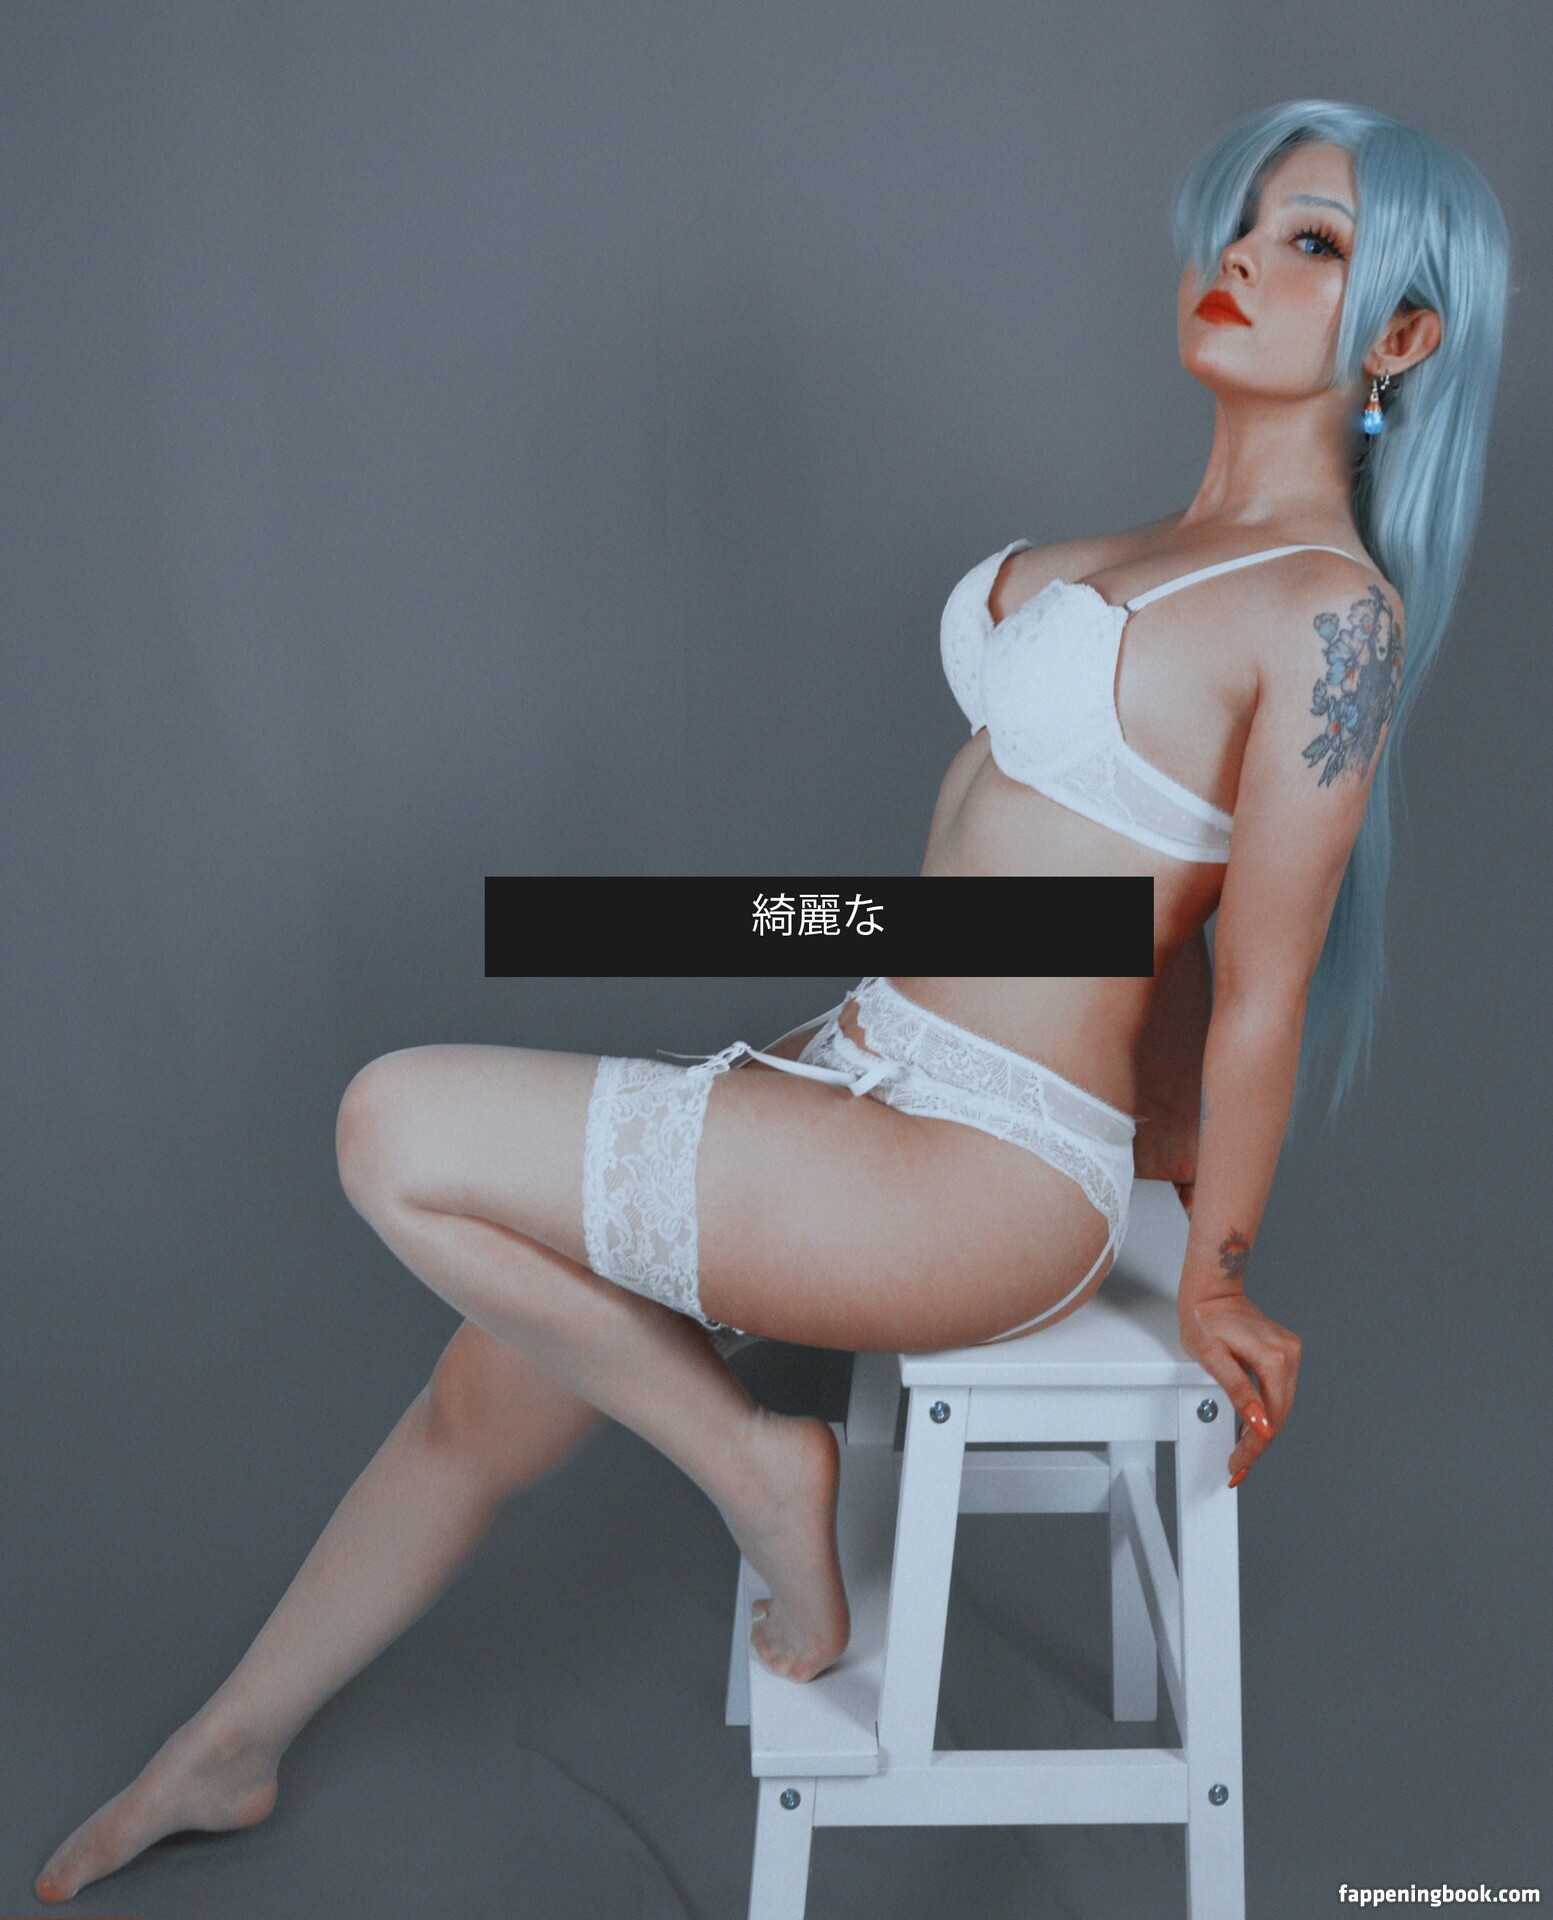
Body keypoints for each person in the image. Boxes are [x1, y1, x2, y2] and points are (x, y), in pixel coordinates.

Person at [35, 97, 1508, 1905]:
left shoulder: (1326, 616)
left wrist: (1212, 1271)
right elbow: (1142, 925)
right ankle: (231, 1746)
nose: (1243, 260)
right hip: (864, 1063)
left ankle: (754, 1464)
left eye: (1315, 245)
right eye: (1248, 221)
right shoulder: (1153, 543)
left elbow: (1260, 982)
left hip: (981, 1175)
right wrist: (1147, 1109)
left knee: (393, 1127)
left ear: (1402, 337)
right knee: (486, 1392)